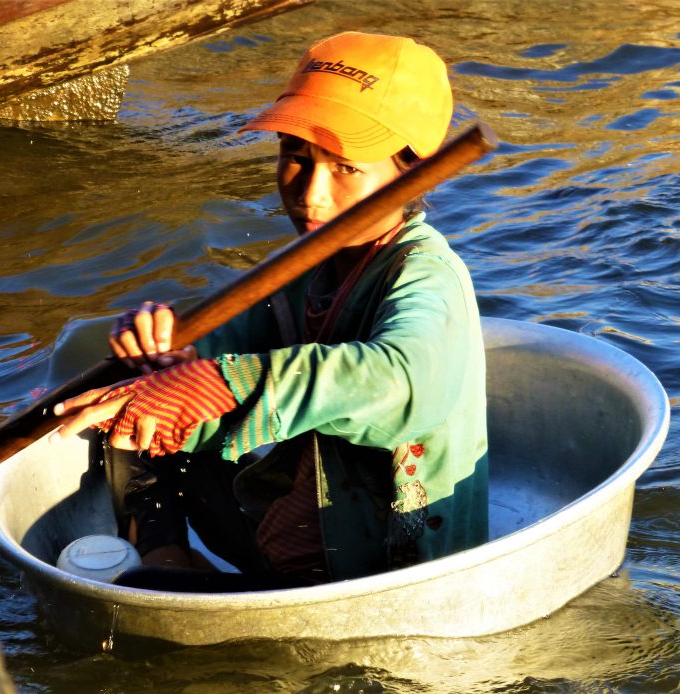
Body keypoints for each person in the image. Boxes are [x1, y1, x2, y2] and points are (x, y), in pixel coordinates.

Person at [51, 31, 488, 589]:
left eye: (346, 168)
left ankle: (166, 578)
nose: (311, 194)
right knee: (133, 403)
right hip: (285, 536)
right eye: (295, 156)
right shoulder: (303, 270)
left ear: (409, 173)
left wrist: (227, 384)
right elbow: (209, 351)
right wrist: (162, 347)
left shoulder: (426, 276)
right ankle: (165, 549)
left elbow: (405, 380)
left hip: (383, 571)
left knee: (133, 596)